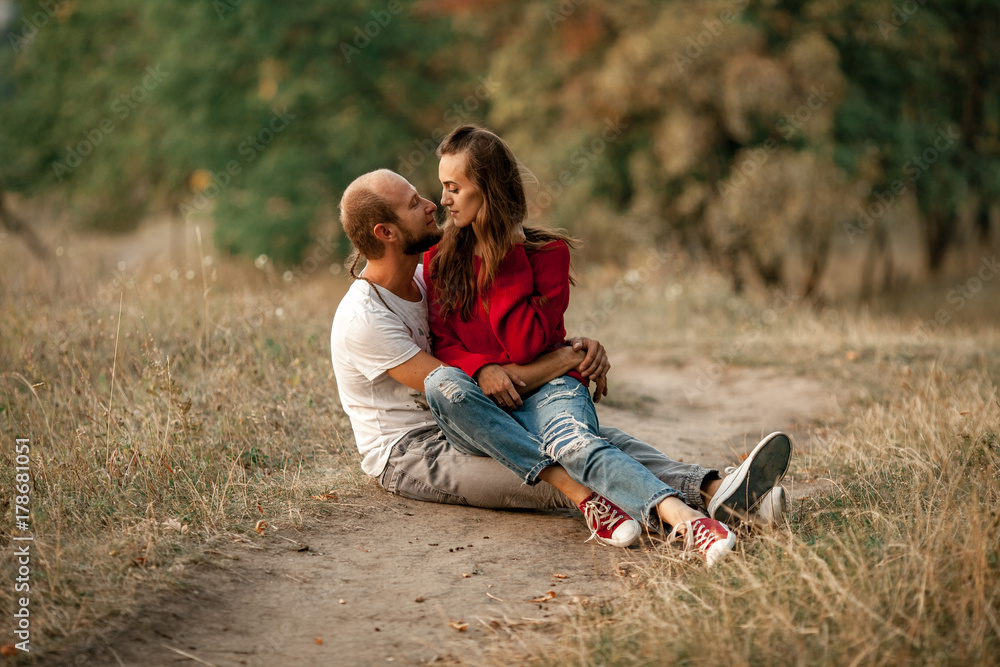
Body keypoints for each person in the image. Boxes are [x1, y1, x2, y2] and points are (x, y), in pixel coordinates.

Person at [331, 166, 788, 565]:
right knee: (562, 469)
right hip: (416, 451)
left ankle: (717, 490)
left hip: (481, 421)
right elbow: (466, 387)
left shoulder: (424, 274)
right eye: (414, 204)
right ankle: (690, 515)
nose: (431, 204)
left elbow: (495, 343)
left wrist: (569, 347)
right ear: (385, 233)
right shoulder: (364, 319)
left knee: (582, 442)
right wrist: (565, 361)